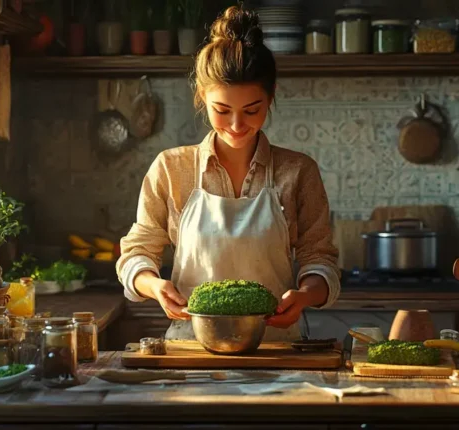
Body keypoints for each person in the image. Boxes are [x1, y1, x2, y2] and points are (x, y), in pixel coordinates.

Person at [116, 6, 340, 341]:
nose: (237, 126)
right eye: (222, 110)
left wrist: (305, 294)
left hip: (275, 347)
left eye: (252, 110)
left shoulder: (298, 171)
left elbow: (320, 259)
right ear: (202, 97)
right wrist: (153, 285)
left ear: (271, 97)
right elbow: (136, 253)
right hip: (191, 346)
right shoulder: (171, 168)